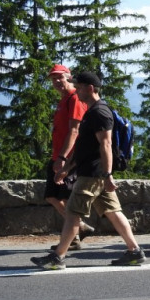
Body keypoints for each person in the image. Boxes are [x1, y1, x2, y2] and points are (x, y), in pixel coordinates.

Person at [31, 72, 146, 270]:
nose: (76, 90)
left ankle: (57, 257)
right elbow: (84, 147)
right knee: (113, 211)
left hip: (93, 174)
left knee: (73, 213)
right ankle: (134, 251)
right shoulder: (91, 112)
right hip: (93, 172)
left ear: (90, 88)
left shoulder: (100, 112)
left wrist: (107, 174)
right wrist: (67, 168)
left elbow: (106, 144)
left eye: (79, 87)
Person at [45, 64, 92, 251]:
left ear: (69, 77)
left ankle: (73, 238)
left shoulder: (74, 98)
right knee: (51, 196)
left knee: (65, 198)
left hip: (70, 157)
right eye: (53, 78)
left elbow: (74, 130)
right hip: (58, 155)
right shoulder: (64, 100)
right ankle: (80, 228)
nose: (57, 81)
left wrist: (63, 158)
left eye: (60, 77)